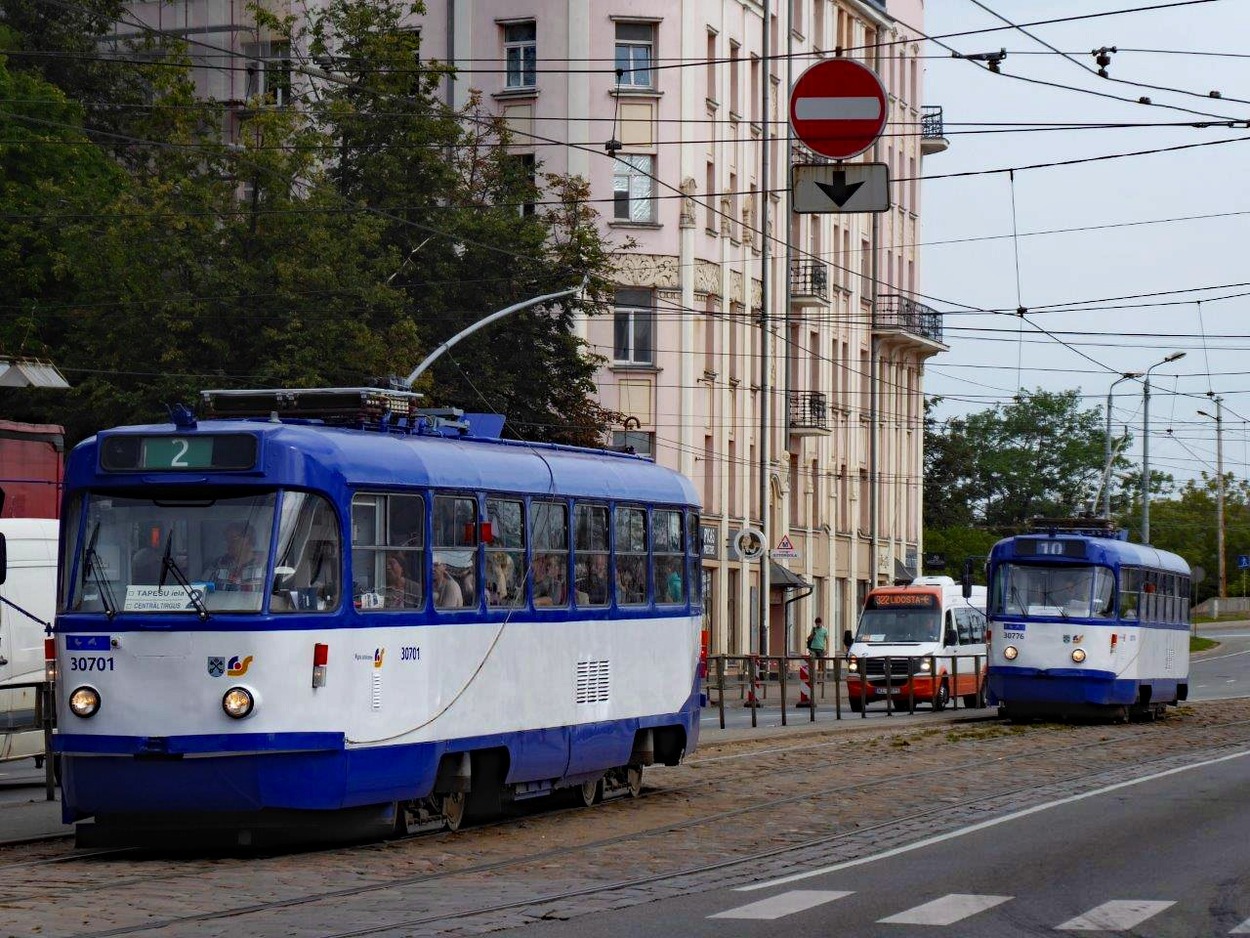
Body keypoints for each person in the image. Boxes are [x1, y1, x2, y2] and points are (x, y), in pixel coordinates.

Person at [201, 521, 264, 592]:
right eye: (226, 540)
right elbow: (201, 589)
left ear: (247, 539)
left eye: (233, 539)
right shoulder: (217, 564)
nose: (228, 543)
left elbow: (274, 598)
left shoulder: (265, 566)